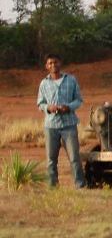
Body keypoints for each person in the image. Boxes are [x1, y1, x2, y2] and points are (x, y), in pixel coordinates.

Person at [37, 53, 86, 188]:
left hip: (69, 124)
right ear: (46, 66)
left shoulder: (71, 80)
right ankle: (52, 186)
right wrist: (49, 107)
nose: (53, 65)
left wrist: (68, 107)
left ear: (60, 63)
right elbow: (40, 104)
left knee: (74, 158)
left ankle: (80, 185)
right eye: (50, 63)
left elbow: (79, 100)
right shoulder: (44, 83)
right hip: (51, 125)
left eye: (55, 62)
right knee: (51, 160)